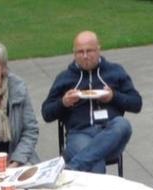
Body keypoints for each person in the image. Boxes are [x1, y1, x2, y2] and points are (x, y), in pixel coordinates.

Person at [41, 30, 142, 173]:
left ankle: (71, 167)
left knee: (123, 124)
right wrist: (63, 102)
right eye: (80, 52)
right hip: (79, 134)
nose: (85, 56)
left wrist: (113, 96)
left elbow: (136, 103)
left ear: (99, 50)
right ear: (74, 54)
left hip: (109, 135)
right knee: (95, 164)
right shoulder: (65, 77)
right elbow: (46, 112)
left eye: (89, 51)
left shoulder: (115, 71)